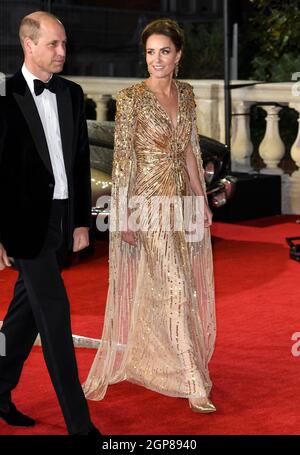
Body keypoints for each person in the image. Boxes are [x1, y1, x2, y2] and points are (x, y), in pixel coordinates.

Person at [83, 18, 216, 413]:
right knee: (174, 284)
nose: (155, 59)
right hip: (149, 203)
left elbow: (190, 151)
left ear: (178, 56)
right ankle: (193, 382)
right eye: (149, 52)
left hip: (182, 202)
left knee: (178, 286)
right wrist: (122, 215)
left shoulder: (187, 94)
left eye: (164, 52)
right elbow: (123, 162)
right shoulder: (131, 98)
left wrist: (202, 199)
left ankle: (157, 361)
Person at [0, 11, 101, 435]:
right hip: (24, 225)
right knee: (55, 316)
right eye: (53, 45)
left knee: (25, 312)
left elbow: (79, 162)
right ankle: (80, 425)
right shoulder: (4, 95)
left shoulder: (74, 94)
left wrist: (80, 223)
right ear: (29, 44)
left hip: (62, 218)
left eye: (64, 44)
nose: (63, 52)